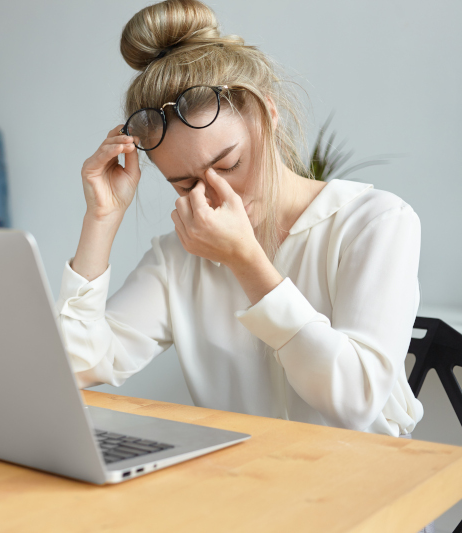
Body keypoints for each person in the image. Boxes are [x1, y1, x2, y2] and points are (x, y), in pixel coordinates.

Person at [55, 0, 424, 441]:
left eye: (229, 164)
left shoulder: (374, 222)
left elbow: (355, 401)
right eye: (185, 183)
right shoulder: (180, 256)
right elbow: (74, 366)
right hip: (239, 487)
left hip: (357, 490)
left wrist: (246, 261)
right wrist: (102, 217)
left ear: (268, 113)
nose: (215, 196)